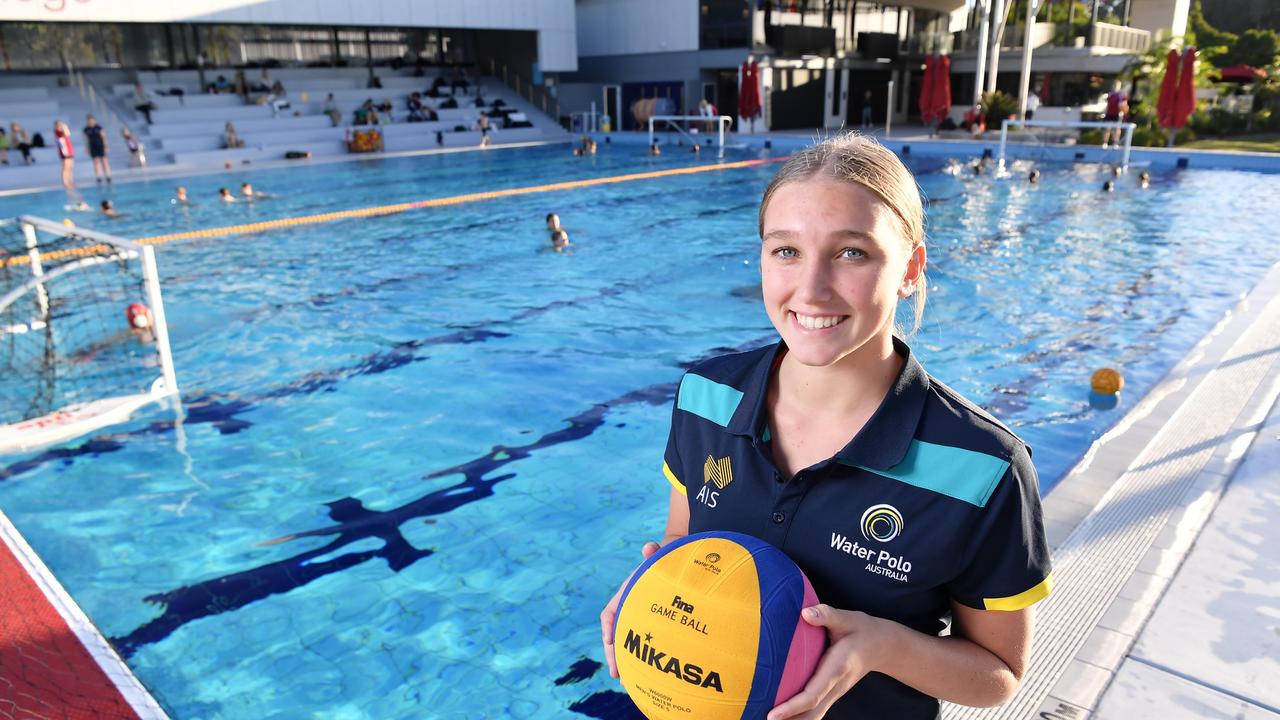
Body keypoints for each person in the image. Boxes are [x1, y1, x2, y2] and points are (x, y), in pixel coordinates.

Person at [599, 133, 1052, 720]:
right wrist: (648, 595)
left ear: (910, 268)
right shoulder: (705, 397)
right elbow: (688, 554)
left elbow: (999, 676)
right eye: (785, 250)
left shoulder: (982, 466)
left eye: (851, 253)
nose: (810, 290)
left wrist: (882, 646)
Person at [54, 121, 86, 208]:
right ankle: (65, 182)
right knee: (65, 167)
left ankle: (70, 180)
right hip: (65, 153)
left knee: (70, 167)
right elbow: (67, 133)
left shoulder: (61, 132)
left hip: (69, 151)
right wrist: (64, 127)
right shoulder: (58, 132)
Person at [82, 115, 111, 184]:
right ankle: (98, 177)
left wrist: (106, 146)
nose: (91, 122)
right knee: (96, 162)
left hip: (100, 146)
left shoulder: (98, 127)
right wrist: (87, 148)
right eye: (89, 121)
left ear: (94, 121)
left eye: (92, 121)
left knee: (104, 161)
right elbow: (86, 140)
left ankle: (108, 176)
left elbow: (103, 137)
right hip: (93, 147)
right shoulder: (86, 129)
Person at [1101, 80, 1128, 149]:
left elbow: (1124, 105)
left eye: (1117, 85)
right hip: (1109, 114)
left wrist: (1122, 112)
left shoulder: (1121, 95)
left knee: (1116, 129)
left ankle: (1115, 143)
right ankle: (1105, 143)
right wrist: (1104, 112)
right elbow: (1107, 105)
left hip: (1117, 114)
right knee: (1107, 128)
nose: (1115, 87)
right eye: (1114, 85)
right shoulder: (1110, 95)